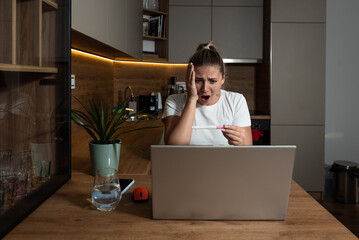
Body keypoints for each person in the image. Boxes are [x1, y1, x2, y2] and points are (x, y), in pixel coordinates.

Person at [162, 42, 252, 146]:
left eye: (212, 81)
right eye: (198, 80)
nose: (205, 89)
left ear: (222, 78)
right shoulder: (174, 101)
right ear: (189, 78)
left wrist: (240, 142)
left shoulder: (236, 101)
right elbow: (175, 148)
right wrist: (191, 99)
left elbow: (247, 150)